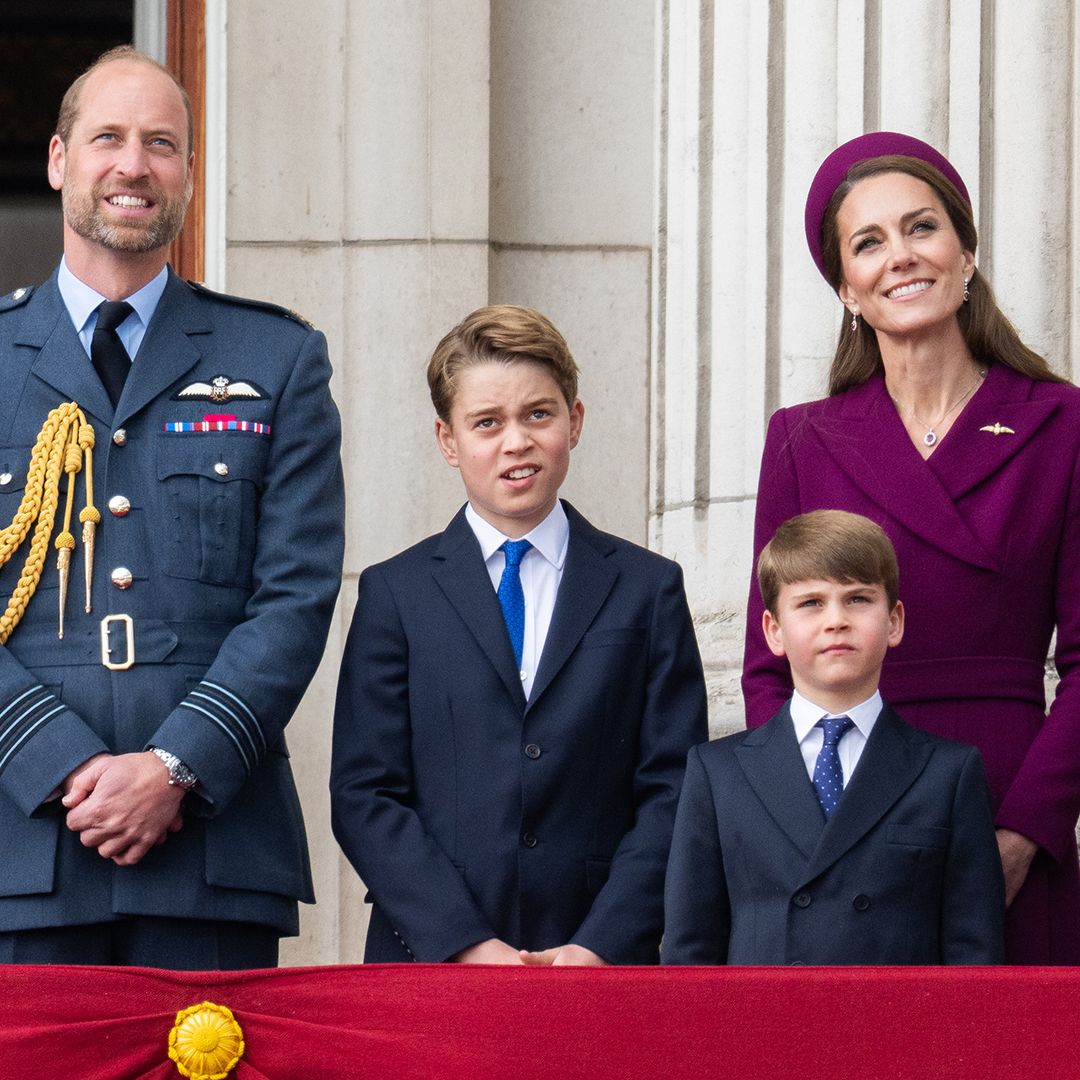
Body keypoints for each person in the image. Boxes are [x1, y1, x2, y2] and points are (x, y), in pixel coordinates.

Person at [0, 47, 344, 968]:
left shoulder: (277, 359)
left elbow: (297, 597)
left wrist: (174, 767)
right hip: (21, 849)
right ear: (58, 161)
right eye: (107, 137)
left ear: (189, 171)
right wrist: (62, 766)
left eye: (162, 143)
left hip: (212, 850)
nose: (133, 164)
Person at [743, 130, 1080, 963]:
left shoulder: (1061, 423)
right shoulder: (801, 440)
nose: (900, 257)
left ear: (966, 253)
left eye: (921, 228)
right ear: (847, 288)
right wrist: (799, 824)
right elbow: (767, 663)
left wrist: (1024, 831)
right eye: (869, 242)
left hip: (1001, 796)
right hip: (842, 815)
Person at [330, 304, 707, 964]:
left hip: (598, 959)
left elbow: (673, 789)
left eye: (539, 414)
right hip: (431, 957)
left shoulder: (648, 589)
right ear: (448, 441)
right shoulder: (396, 593)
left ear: (575, 421)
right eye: (487, 423)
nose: (516, 441)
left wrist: (600, 943)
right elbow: (365, 794)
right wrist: (467, 944)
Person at [665, 510, 1004, 964]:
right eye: (810, 603)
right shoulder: (718, 773)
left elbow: (974, 953)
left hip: (900, 1030)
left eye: (859, 599)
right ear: (774, 631)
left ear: (894, 621)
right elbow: (690, 951)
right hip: (760, 1029)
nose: (836, 620)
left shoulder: (948, 772)